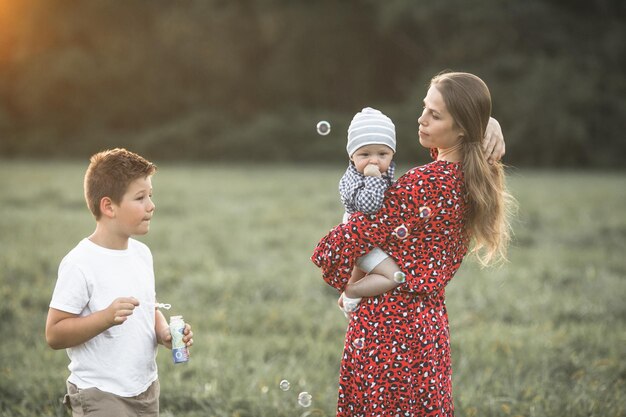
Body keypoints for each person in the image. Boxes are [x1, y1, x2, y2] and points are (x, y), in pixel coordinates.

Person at [311, 71, 513, 416]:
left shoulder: (424, 182)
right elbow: (454, 145)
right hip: (426, 326)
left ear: (462, 127)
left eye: (435, 115)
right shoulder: (468, 174)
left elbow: (351, 240)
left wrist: (327, 253)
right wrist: (487, 122)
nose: (421, 119)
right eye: (425, 108)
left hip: (388, 328)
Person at [45, 148, 194, 417]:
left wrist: (164, 334)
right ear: (108, 206)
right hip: (100, 392)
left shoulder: (141, 254)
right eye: (140, 198)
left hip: (145, 388)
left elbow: (148, 308)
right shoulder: (80, 262)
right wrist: (105, 317)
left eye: (151, 195)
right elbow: (54, 334)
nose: (151, 205)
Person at [338, 107, 407, 315]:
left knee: (361, 270)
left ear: (392, 153)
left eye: (382, 154)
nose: (374, 160)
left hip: (371, 236)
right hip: (360, 237)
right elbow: (370, 206)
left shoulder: (383, 171)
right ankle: (352, 291)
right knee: (393, 276)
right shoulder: (354, 180)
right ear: (352, 156)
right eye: (365, 154)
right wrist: (373, 179)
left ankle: (346, 299)